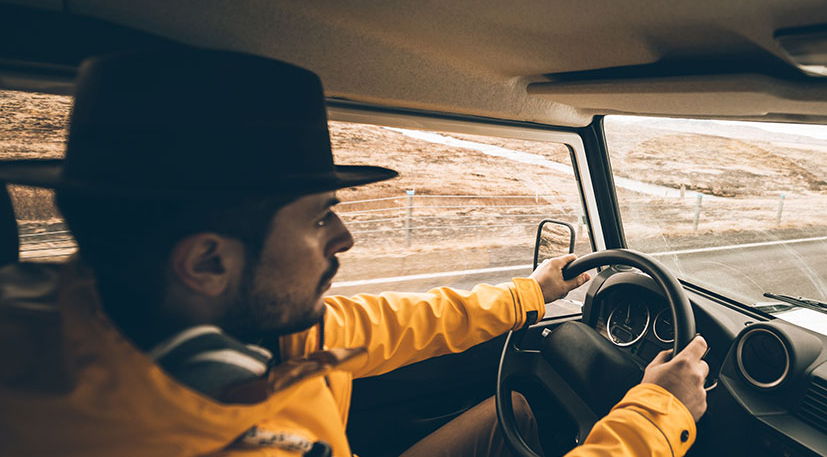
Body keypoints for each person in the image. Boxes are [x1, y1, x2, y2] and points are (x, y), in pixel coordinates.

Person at [0, 49, 708, 456]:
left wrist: (530, 293)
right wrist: (654, 416)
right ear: (209, 261)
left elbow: (377, 324)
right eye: (318, 220)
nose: (344, 240)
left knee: (511, 412)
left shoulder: (166, 315)